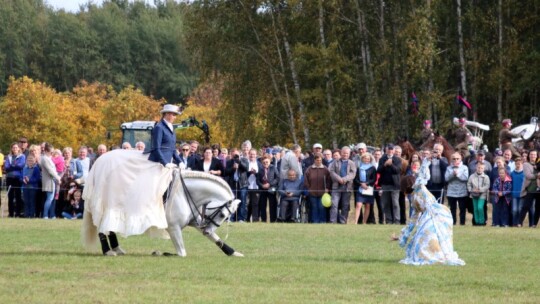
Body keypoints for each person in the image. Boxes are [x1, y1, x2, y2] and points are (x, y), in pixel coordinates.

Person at [392, 160, 465, 266]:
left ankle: (438, 256)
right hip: (432, 215)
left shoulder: (419, 188)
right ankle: (436, 255)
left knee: (431, 236)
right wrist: (402, 237)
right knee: (425, 237)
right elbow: (412, 221)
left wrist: (425, 163)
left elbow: (422, 176)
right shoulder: (413, 200)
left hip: (437, 213)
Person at [329, 146, 356, 224]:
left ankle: (343, 221)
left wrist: (344, 179)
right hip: (336, 186)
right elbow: (331, 171)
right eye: (344, 153)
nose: (345, 154)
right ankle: (333, 221)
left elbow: (353, 174)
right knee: (334, 205)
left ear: (349, 154)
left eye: (347, 153)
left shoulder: (352, 163)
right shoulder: (335, 162)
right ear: (341, 153)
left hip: (347, 187)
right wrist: (339, 179)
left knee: (345, 205)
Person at [377, 144, 402, 224]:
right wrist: (385, 165)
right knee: (386, 203)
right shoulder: (382, 159)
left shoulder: (397, 159)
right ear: (386, 150)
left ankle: (397, 220)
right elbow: (378, 170)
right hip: (385, 184)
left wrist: (391, 164)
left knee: (395, 203)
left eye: (391, 149)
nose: (390, 151)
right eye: (389, 149)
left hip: (395, 185)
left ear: (394, 151)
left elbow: (398, 171)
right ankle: (388, 220)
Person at [304, 153, 332, 223]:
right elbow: (306, 180)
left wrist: (327, 188)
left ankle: (323, 221)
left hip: (322, 193)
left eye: (320, 160)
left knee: (321, 208)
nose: (318, 161)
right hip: (312, 193)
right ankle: (315, 221)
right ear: (314, 160)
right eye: (317, 160)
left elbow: (329, 180)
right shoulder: (309, 169)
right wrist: (309, 189)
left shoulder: (325, 169)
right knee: (314, 208)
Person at [225, 148, 249, 222]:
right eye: (233, 154)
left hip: (242, 184)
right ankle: (230, 218)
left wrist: (239, 162)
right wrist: (233, 168)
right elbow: (226, 172)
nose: (235, 156)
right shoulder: (229, 162)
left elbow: (246, 168)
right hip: (232, 184)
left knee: (242, 201)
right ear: (231, 155)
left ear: (239, 154)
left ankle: (241, 218)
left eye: (236, 155)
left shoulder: (244, 160)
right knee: (231, 202)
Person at [444, 152, 469, 225]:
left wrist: (457, 175)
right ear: (451, 160)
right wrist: (452, 174)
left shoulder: (465, 168)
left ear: (461, 159)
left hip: (462, 192)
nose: (456, 160)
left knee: (462, 209)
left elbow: (466, 178)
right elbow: (446, 179)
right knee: (452, 209)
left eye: (457, 159)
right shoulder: (448, 168)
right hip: (451, 192)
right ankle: (453, 222)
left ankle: (462, 223)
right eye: (454, 159)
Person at [353, 153, 376, 225]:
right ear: (362, 159)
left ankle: (364, 222)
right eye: (365, 158)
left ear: (370, 160)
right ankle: (355, 222)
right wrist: (361, 184)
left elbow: (374, 179)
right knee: (358, 205)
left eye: (368, 159)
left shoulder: (372, 168)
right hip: (360, 188)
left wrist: (367, 184)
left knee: (368, 205)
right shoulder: (359, 168)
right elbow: (355, 179)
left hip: (368, 189)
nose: (367, 160)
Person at [4, 142, 26, 217]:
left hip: (18, 178)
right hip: (9, 179)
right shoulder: (8, 157)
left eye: (16, 147)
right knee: (10, 196)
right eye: (13, 147)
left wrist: (11, 166)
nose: (15, 149)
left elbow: (21, 165)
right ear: (11, 149)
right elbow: (6, 167)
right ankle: (10, 213)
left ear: (18, 148)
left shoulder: (22, 156)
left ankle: (18, 213)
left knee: (18, 196)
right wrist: (14, 166)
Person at [256, 155, 280, 222]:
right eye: (264, 162)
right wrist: (262, 185)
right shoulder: (260, 169)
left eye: (267, 162)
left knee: (272, 205)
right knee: (263, 205)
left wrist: (270, 184)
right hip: (263, 189)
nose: (265, 163)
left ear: (270, 161)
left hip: (271, 189)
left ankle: (273, 220)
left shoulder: (273, 168)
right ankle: (263, 220)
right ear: (262, 162)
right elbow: (257, 180)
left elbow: (277, 178)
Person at [41, 143, 61, 219]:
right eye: (51, 152)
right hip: (48, 181)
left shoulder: (49, 158)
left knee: (52, 199)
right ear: (46, 151)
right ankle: (45, 215)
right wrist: (58, 178)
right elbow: (50, 170)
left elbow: (54, 170)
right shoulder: (44, 158)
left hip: (52, 180)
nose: (52, 154)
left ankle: (52, 215)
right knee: (49, 198)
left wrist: (57, 178)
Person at [510, 158, 525, 227]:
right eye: (516, 164)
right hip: (514, 195)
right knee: (514, 210)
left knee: (520, 209)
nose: (518, 165)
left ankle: (519, 223)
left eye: (519, 164)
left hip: (522, 195)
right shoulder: (512, 173)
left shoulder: (524, 173)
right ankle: (514, 223)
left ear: (522, 164)